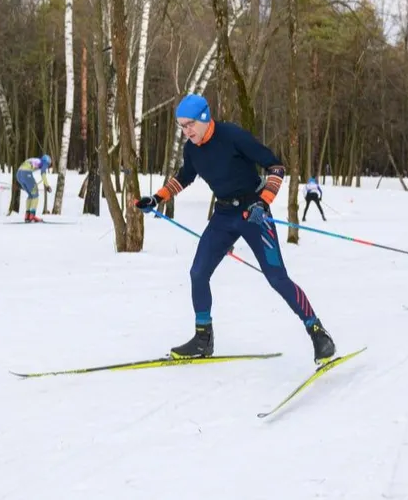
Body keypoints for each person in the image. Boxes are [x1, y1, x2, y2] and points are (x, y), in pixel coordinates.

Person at [134, 94, 335, 365]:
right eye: (182, 126)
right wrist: (157, 198)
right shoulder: (192, 149)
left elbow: (276, 167)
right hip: (224, 215)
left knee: (277, 278)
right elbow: (185, 177)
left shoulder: (232, 136)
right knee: (198, 272)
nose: (187, 131)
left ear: (205, 117)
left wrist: (263, 204)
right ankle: (203, 339)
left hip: (253, 212)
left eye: (190, 124)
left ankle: (317, 332)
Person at [16, 154, 52, 223]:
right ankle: (32, 216)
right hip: (26, 174)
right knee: (35, 195)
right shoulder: (45, 162)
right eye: (49, 165)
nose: (48, 167)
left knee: (31, 195)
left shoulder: (36, 160)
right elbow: (43, 173)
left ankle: (27, 216)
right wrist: (47, 185)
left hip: (19, 174)